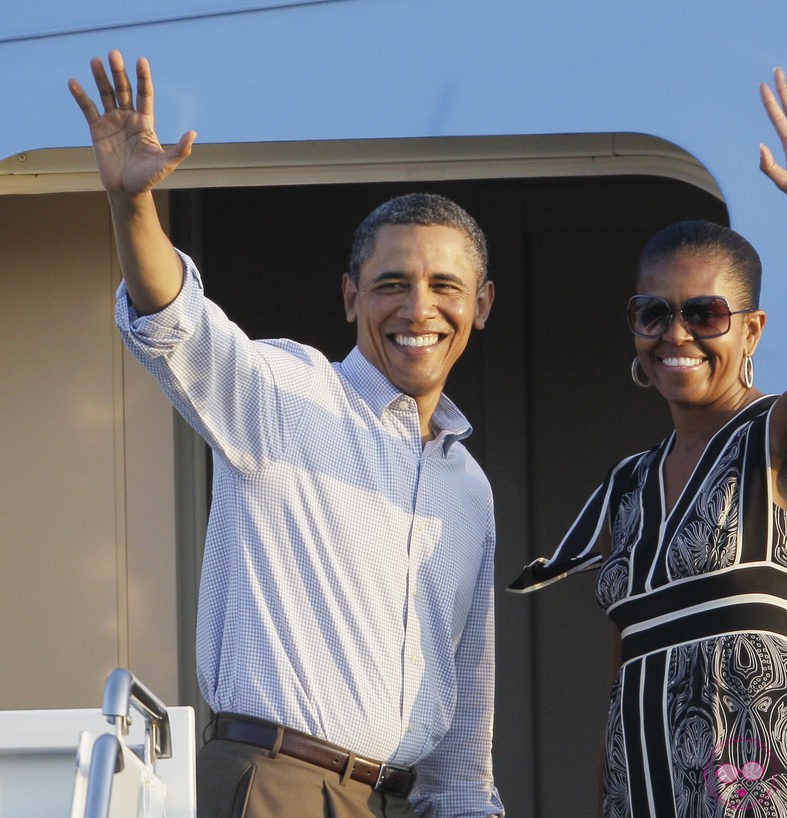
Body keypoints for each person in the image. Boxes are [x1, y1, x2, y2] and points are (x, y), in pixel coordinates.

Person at [69, 51, 504, 818]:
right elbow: (178, 330)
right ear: (349, 297)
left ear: (482, 304)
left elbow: (465, 734)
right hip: (272, 786)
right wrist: (132, 206)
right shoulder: (288, 392)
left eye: (445, 287)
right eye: (391, 285)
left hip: (387, 804)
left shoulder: (468, 487)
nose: (418, 310)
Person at [510, 68, 787, 818]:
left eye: (704, 313)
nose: (676, 334)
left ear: (752, 328)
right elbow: (625, 677)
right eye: (654, 313)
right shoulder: (628, 485)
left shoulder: (784, 439)